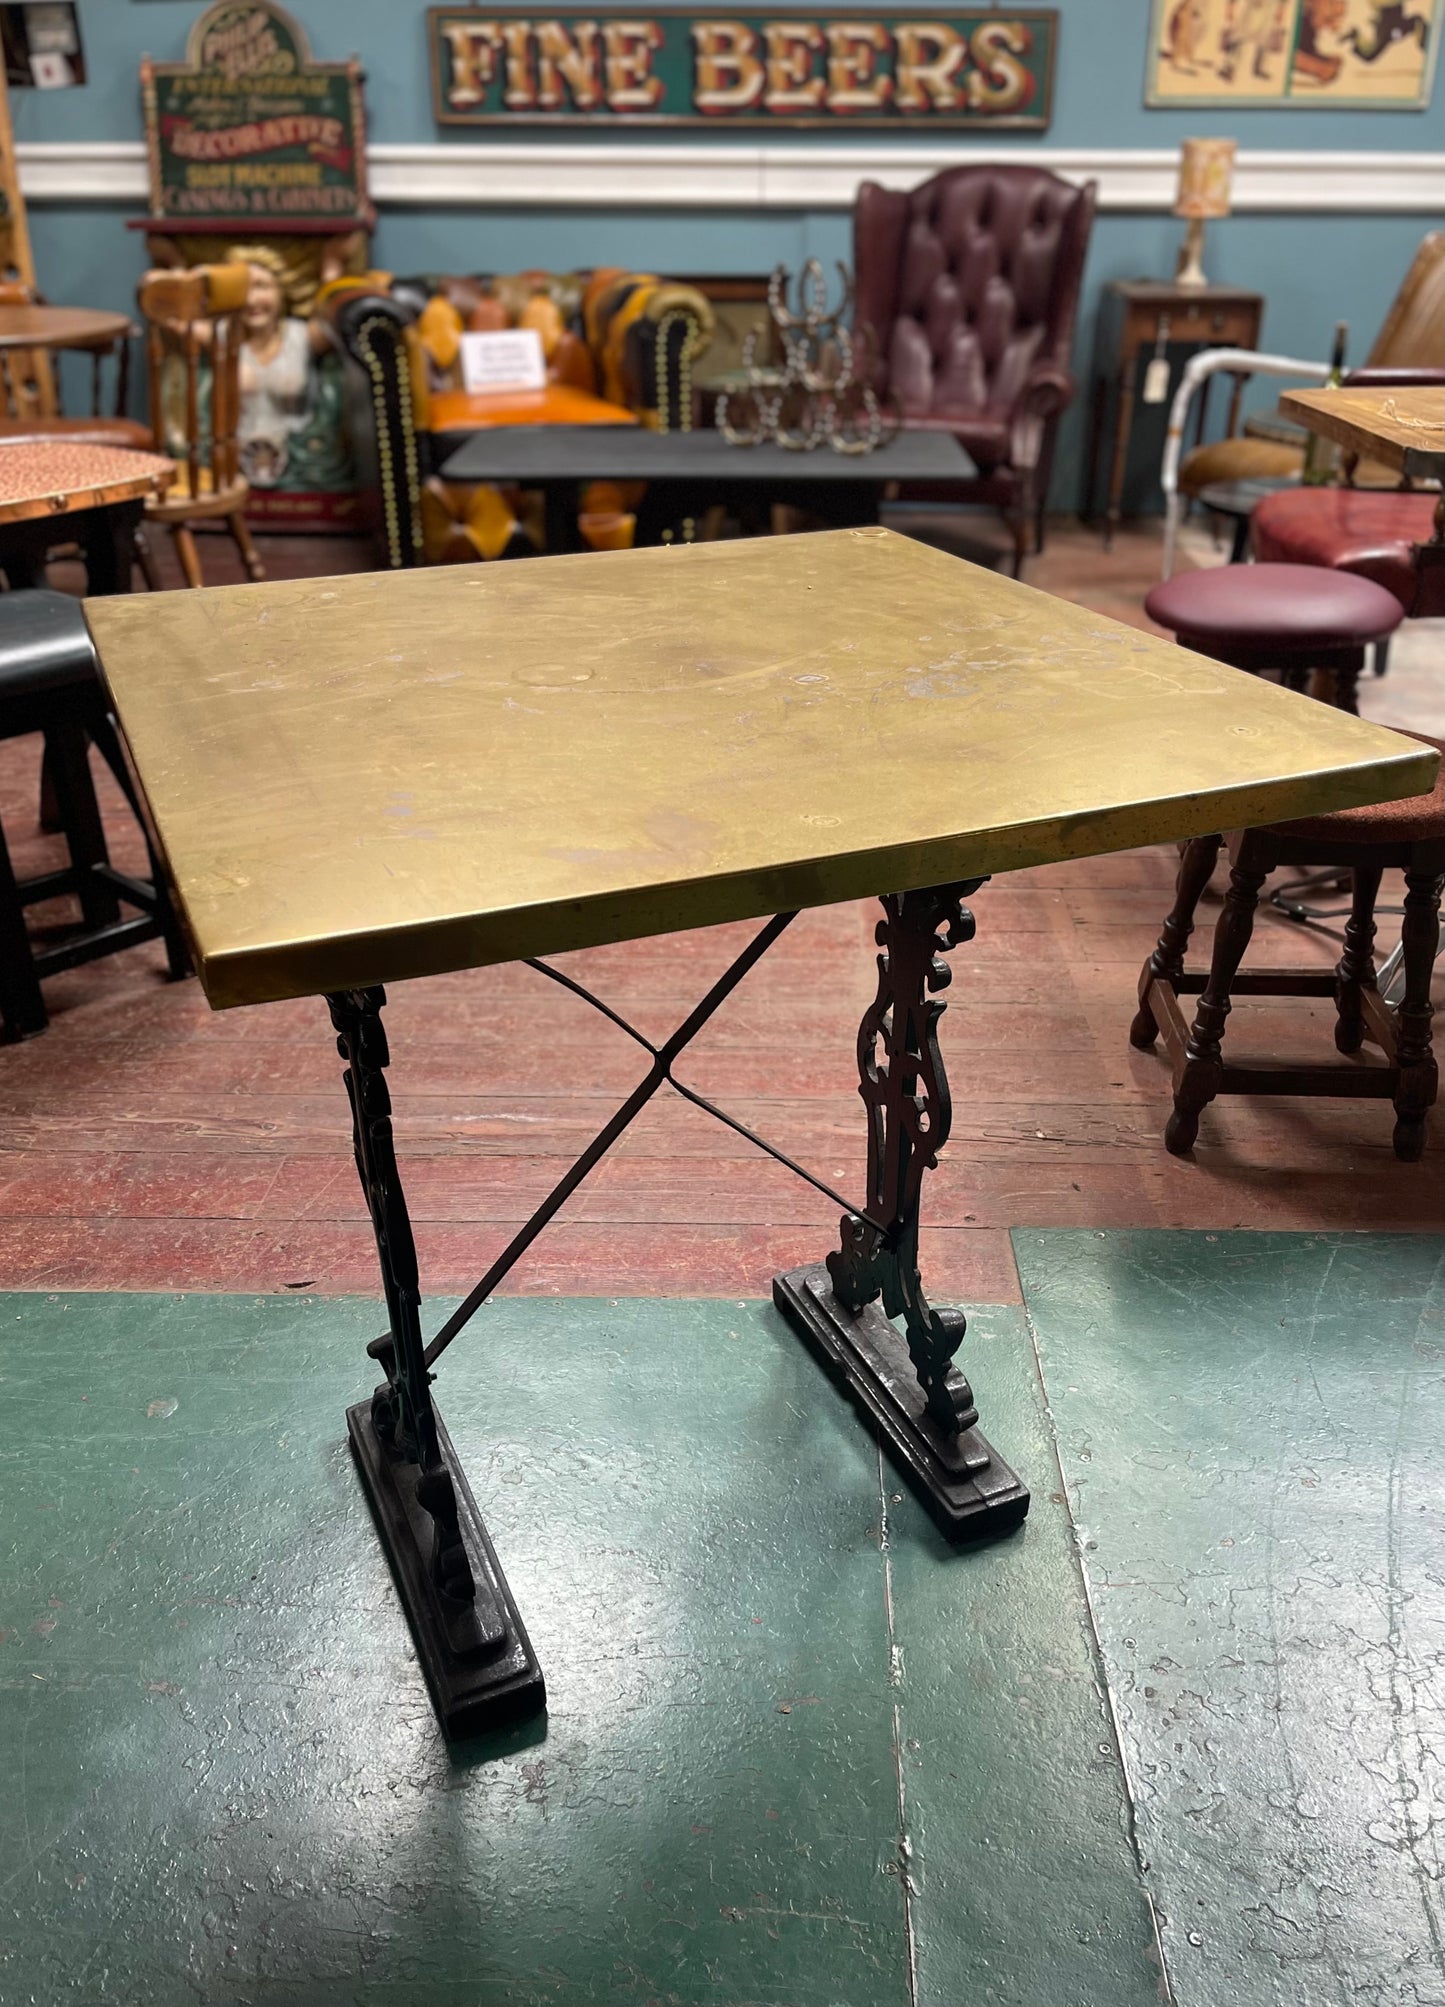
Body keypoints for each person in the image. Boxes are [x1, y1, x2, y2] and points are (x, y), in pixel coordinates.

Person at [226, 245, 351, 493]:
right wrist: (172, 263)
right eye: (242, 289)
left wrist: (331, 268)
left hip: (302, 459)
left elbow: (338, 317)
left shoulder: (303, 336)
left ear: (281, 291)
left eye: (261, 286)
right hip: (236, 460)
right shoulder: (223, 339)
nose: (251, 300)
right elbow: (173, 319)